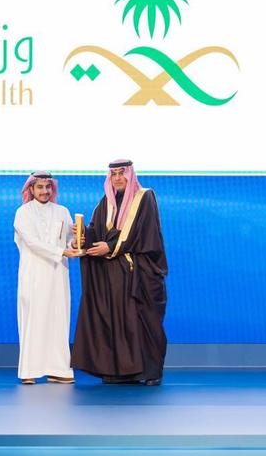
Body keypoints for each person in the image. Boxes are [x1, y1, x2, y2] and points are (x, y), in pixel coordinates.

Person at [71, 159, 168, 385]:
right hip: (113, 275)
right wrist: (83, 236)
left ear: (130, 174)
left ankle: (149, 372)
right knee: (116, 321)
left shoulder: (145, 197)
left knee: (139, 322)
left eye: (121, 173)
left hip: (138, 273)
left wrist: (111, 247)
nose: (117, 178)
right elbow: (97, 231)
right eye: (113, 174)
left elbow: (143, 234)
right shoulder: (106, 202)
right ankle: (120, 371)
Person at [13, 171, 78, 385]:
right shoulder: (23, 213)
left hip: (58, 274)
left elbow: (69, 241)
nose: (44, 191)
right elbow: (32, 242)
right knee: (34, 319)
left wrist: (76, 241)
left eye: (48, 187)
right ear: (31, 189)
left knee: (58, 319)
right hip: (34, 274)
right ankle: (29, 370)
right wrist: (62, 251)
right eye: (40, 187)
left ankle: (58, 369)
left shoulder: (62, 211)